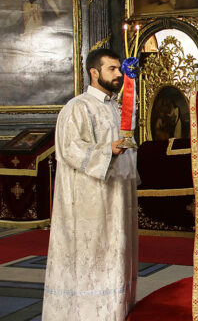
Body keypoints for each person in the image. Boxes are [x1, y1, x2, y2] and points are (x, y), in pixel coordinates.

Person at [42, 49, 138, 320]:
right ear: (94, 72)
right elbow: (69, 149)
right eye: (112, 69)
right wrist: (109, 150)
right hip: (88, 199)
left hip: (117, 195)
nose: (118, 74)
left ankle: (116, 311)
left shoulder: (117, 106)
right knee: (92, 253)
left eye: (119, 68)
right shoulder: (77, 107)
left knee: (116, 250)